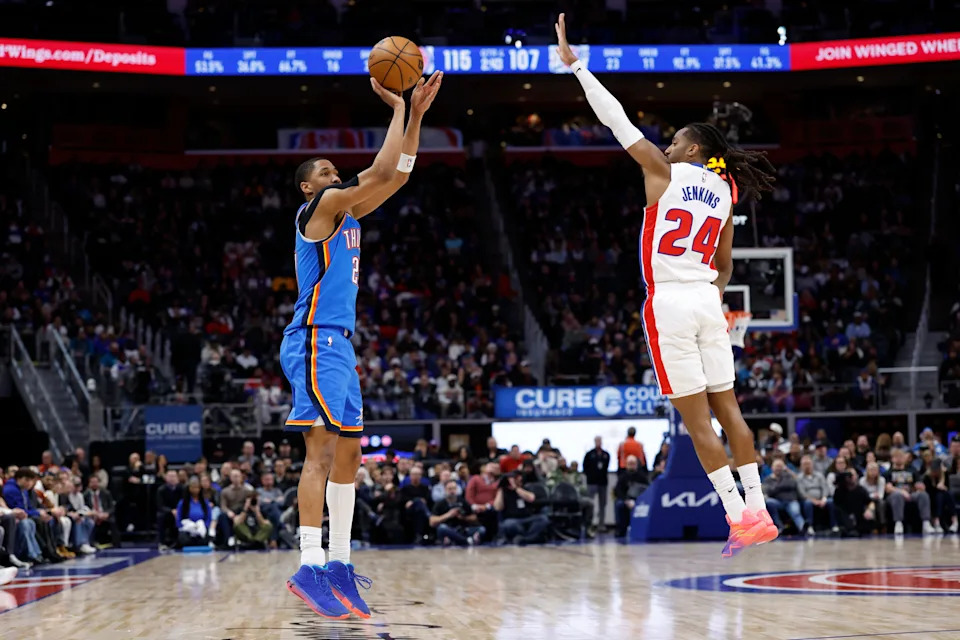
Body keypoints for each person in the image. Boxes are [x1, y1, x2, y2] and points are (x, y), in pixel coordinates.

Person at [556, 13, 777, 558]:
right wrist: (711, 295)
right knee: (731, 411)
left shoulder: (663, 170)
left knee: (695, 419)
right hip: (708, 299)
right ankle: (761, 510)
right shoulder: (725, 191)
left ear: (693, 151)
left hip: (671, 301)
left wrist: (577, 67)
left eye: (678, 141)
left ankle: (736, 516)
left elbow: (615, 120)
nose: (670, 145)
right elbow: (725, 265)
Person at [281, 71, 443, 621]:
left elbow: (395, 177)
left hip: (340, 346)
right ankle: (309, 563)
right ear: (308, 187)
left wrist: (416, 117)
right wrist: (398, 107)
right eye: (324, 171)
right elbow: (377, 168)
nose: (334, 173)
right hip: (313, 341)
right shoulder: (317, 212)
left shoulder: (348, 212)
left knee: (351, 454)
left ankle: (340, 565)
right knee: (320, 452)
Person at [885, 448, 934, 535]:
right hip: (895, 496)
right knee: (897, 495)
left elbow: (918, 483)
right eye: (896, 457)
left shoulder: (912, 470)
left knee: (923, 495)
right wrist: (902, 492)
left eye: (901, 456)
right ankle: (898, 523)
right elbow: (888, 488)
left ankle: (926, 523)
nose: (899, 458)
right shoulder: (888, 472)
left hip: (911, 494)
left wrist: (920, 487)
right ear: (892, 459)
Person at [494, 473, 549, 545]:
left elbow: (531, 498)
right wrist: (500, 489)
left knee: (543, 519)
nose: (520, 480)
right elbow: (498, 507)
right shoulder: (503, 492)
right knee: (509, 524)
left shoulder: (524, 488)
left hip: (528, 518)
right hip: (512, 519)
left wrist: (516, 488)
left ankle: (526, 538)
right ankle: (530, 538)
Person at [430, 480, 485, 546]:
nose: (452, 491)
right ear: (445, 490)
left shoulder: (462, 501)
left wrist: (463, 517)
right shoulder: (440, 504)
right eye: (450, 489)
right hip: (449, 529)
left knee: (482, 529)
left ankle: (456, 540)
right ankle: (466, 541)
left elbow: (474, 518)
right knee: (442, 528)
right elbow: (432, 522)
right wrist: (448, 515)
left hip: (463, 529)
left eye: (454, 488)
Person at [796, 455, 838, 535]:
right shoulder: (799, 478)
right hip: (808, 499)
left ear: (812, 464)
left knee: (831, 502)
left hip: (821, 498)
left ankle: (834, 525)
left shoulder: (819, 475)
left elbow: (825, 488)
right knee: (808, 503)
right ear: (801, 466)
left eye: (808, 464)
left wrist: (823, 498)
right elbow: (802, 493)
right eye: (804, 464)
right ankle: (810, 526)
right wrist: (814, 501)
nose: (807, 466)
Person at [763, 460, 805, 533]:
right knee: (769, 502)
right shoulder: (768, 479)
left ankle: (803, 528)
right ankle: (779, 527)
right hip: (778, 502)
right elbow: (769, 491)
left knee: (796, 513)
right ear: (772, 468)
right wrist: (781, 486)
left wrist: (777, 487)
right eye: (777, 466)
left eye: (780, 466)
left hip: (791, 501)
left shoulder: (788, 476)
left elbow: (792, 484)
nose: (778, 468)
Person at [613, 455, 649, 538]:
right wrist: (626, 500)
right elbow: (618, 491)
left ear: (636, 464)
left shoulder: (642, 476)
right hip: (625, 500)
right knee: (619, 505)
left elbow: (647, 490)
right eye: (629, 464)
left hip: (639, 500)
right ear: (626, 465)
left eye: (633, 463)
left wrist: (637, 500)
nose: (631, 465)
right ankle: (621, 530)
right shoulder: (622, 477)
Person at [84, 475, 120, 548]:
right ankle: (90, 543)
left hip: (104, 514)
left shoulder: (106, 493)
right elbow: (84, 507)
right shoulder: (85, 495)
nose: (94, 484)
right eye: (92, 482)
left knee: (112, 521)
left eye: (95, 482)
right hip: (92, 515)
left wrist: (106, 513)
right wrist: (92, 513)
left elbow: (112, 507)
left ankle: (116, 544)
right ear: (89, 483)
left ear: (98, 483)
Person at [583, 436, 611, 530]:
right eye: (597, 441)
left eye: (600, 441)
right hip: (592, 482)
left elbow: (606, 467)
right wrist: (590, 476)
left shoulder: (606, 454)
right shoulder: (589, 454)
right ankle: (589, 524)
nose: (598, 443)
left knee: (603, 504)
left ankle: (601, 524)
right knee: (590, 503)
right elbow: (585, 467)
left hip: (602, 482)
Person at [175, 477, 212, 548]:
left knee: (204, 541)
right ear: (189, 488)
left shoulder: (205, 502)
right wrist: (182, 526)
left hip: (201, 527)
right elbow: (178, 517)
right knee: (185, 540)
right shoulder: (183, 502)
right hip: (187, 527)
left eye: (197, 488)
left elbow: (209, 517)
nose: (195, 490)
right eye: (193, 487)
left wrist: (205, 526)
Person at [400, 467, 431, 544]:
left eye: (417, 474)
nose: (415, 476)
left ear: (421, 476)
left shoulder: (425, 488)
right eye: (414, 474)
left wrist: (414, 501)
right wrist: (415, 501)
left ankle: (418, 535)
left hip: (420, 510)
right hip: (409, 510)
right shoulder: (405, 489)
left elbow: (428, 500)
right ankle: (429, 516)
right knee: (418, 501)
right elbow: (403, 501)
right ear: (410, 476)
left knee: (419, 510)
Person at [156, 470, 181, 548]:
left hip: (179, 511)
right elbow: (160, 505)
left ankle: (179, 541)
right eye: (170, 476)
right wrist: (170, 510)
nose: (172, 478)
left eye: (174, 476)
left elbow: (184, 502)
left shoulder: (182, 489)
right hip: (167, 512)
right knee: (160, 516)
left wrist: (178, 510)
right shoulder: (161, 490)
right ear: (166, 478)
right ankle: (162, 542)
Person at [859, 462, 887, 533]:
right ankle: (873, 526)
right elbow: (863, 495)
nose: (873, 472)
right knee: (870, 505)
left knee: (881, 503)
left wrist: (874, 496)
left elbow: (881, 495)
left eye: (875, 470)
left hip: (878, 500)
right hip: (866, 500)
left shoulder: (881, 480)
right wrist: (872, 495)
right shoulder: (862, 481)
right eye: (871, 470)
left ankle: (883, 524)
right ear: (867, 471)